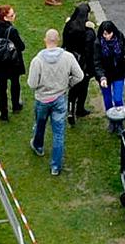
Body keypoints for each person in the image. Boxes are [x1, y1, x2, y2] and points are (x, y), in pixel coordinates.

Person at [27, 27, 84, 175]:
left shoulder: (37, 61)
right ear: (57, 41)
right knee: (58, 133)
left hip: (42, 100)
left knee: (40, 124)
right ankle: (55, 167)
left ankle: (38, 146)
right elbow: (80, 75)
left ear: (45, 40)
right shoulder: (68, 57)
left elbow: (32, 84)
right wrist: (68, 84)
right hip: (60, 98)